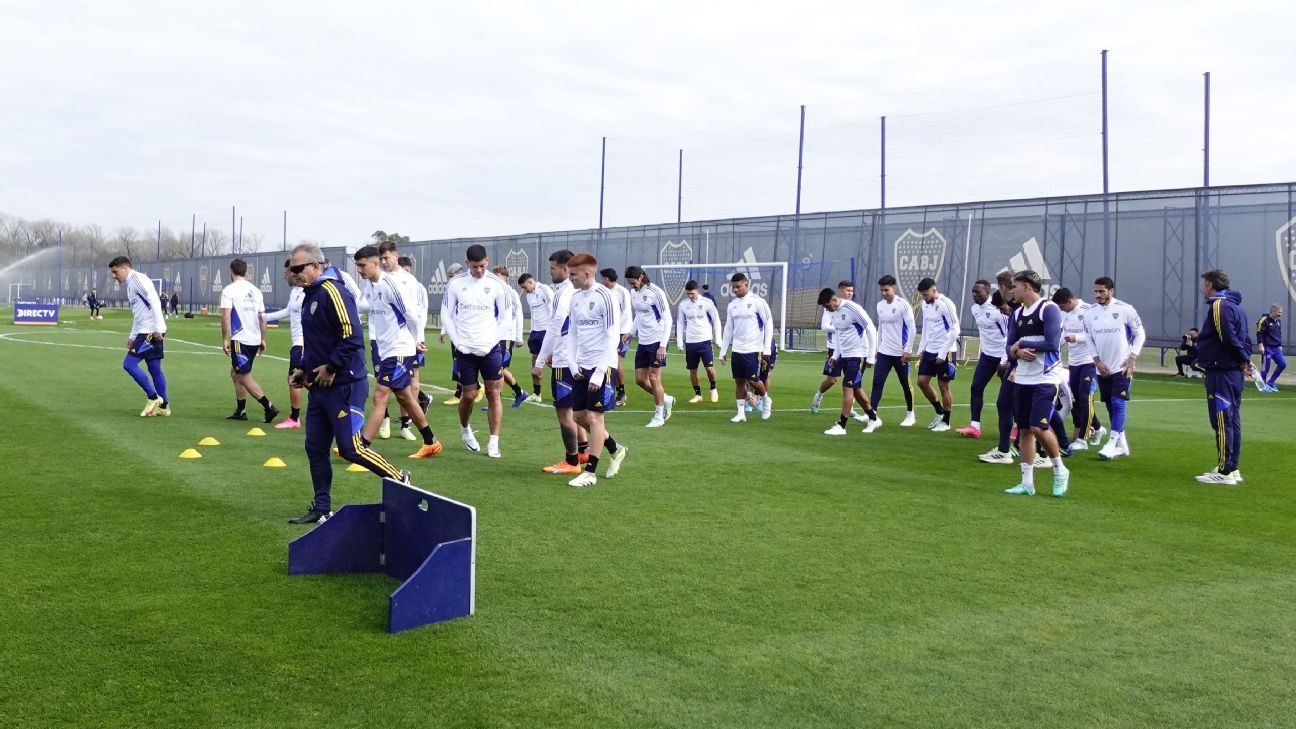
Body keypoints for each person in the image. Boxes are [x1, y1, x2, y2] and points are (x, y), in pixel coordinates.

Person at [285, 244, 406, 525]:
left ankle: (400, 478)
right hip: (320, 388)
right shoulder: (309, 294)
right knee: (315, 448)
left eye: (298, 268)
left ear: (316, 266)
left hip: (345, 384)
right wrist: (303, 369)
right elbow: (315, 342)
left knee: (351, 448)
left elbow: (352, 336)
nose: (293, 273)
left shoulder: (333, 291)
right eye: (292, 268)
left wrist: (331, 367)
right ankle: (322, 508)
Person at [353, 246, 441, 458]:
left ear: (375, 263)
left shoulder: (390, 284)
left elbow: (411, 314)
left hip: (399, 350)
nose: (359, 270)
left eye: (362, 265)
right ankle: (431, 442)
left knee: (379, 396)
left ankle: (362, 447)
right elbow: (362, 307)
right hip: (387, 350)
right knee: (405, 398)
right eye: (357, 266)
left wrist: (417, 340)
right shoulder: (370, 286)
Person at [564, 252, 630, 488]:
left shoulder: (606, 296)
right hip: (582, 365)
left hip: (603, 365)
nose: (570, 278)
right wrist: (572, 363)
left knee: (594, 417)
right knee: (578, 416)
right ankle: (615, 448)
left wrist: (601, 371)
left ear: (586, 273)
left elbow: (613, 336)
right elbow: (572, 333)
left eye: (573, 274)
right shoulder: (575, 298)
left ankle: (590, 472)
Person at [1002, 270, 1071, 497]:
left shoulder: (1048, 309)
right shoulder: (1017, 313)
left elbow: (1052, 343)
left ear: (1027, 286)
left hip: (1046, 377)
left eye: (1015, 286)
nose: (1012, 291)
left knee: (1038, 426)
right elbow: (1009, 347)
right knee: (1024, 430)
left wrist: (1021, 344)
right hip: (1023, 377)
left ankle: (1060, 469)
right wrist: (1017, 351)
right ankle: (1027, 483)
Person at [441, 245, 509, 457]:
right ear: (467, 263)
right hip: (465, 349)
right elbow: (446, 314)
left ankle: (494, 442)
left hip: (490, 349)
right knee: (469, 395)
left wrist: (493, 341)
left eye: (482, 266)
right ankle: (465, 430)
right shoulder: (456, 283)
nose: (479, 270)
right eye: (474, 266)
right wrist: (457, 342)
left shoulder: (497, 284)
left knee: (493, 393)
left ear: (487, 261)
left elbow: (506, 317)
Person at [1194, 269, 1254, 485]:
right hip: (1232, 373)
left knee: (1221, 421)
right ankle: (1232, 468)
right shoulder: (1238, 308)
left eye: (1205, 284)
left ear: (1210, 285)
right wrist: (1244, 359)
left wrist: (1243, 360)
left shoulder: (1219, 305)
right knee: (1232, 420)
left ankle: (1224, 472)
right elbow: (1246, 340)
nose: (1203, 289)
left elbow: (1227, 337)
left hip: (1221, 372)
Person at [533, 249, 589, 475]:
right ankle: (583, 450)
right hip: (579, 357)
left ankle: (572, 461)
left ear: (566, 269)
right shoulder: (581, 291)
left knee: (565, 413)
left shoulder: (563, 292)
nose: (550, 272)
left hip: (565, 360)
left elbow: (556, 327)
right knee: (576, 409)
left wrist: (539, 361)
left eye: (552, 268)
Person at [1084, 276, 1145, 460]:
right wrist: (1097, 362)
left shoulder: (1125, 309)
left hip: (1122, 367)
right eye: (1096, 291)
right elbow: (1089, 339)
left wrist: (1132, 357)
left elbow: (1140, 334)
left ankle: (1110, 444)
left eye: (1102, 291)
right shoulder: (1090, 313)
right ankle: (1122, 445)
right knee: (1110, 406)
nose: (1098, 295)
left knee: (1118, 403)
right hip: (1102, 368)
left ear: (1111, 291)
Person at [107, 256, 170, 416]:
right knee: (155, 369)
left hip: (150, 331)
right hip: (147, 330)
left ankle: (153, 397)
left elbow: (154, 300)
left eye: (115, 272)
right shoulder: (131, 285)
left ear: (125, 268)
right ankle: (164, 407)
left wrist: (159, 327)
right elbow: (138, 312)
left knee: (129, 364)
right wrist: (133, 335)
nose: (114, 276)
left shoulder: (137, 280)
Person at [220, 258, 278, 423]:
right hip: (254, 339)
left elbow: (226, 317)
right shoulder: (256, 291)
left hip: (240, 338)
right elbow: (262, 317)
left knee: (242, 376)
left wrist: (224, 339)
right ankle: (241, 410)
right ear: (246, 272)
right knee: (235, 372)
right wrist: (263, 339)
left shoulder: (229, 290)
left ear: (231, 271)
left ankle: (269, 406)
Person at [817, 287, 881, 435]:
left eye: (828, 306)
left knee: (847, 387)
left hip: (857, 355)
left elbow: (871, 329)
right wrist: (835, 356)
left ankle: (841, 426)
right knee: (856, 391)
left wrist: (871, 356)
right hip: (844, 355)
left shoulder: (852, 308)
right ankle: (873, 418)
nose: (827, 309)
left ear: (834, 300)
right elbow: (840, 336)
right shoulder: (833, 313)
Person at [1053, 287, 1106, 450]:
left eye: (1062, 306)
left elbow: (1096, 335)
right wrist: (1054, 347)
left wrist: (1077, 337)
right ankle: (1098, 428)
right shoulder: (1064, 314)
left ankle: (1082, 440)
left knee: (1084, 396)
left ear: (1069, 301)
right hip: (1074, 362)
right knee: (1078, 399)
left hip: (1089, 361)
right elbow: (1063, 335)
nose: (1062, 310)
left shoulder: (1088, 311)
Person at [718, 273, 774, 422]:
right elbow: (728, 328)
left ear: (746, 285)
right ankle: (741, 413)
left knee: (753, 381)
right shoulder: (732, 305)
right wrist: (723, 350)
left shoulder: (758, 302)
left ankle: (766, 399)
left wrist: (766, 348)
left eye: (738, 286)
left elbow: (768, 324)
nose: (735, 290)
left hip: (753, 348)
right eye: (733, 287)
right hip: (737, 349)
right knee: (739, 382)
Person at [624, 265, 676, 427]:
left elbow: (668, 319)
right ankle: (666, 399)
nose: (632, 285)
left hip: (657, 340)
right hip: (643, 341)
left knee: (654, 378)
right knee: (640, 380)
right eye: (629, 283)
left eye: (633, 282)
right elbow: (639, 315)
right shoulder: (634, 293)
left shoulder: (656, 292)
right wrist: (631, 332)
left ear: (641, 277)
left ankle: (659, 416)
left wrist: (662, 346)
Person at [957, 280, 1007, 439]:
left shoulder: (998, 310)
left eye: (977, 292)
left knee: (1008, 394)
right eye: (973, 291)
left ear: (987, 292)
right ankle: (975, 426)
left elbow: (1008, 335)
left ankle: (1016, 428)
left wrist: (1005, 360)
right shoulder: (975, 309)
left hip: (1003, 357)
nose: (974, 295)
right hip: (986, 356)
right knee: (976, 387)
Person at [870, 274, 918, 427]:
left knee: (905, 384)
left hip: (900, 354)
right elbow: (881, 328)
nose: (884, 293)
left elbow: (912, 328)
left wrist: (908, 350)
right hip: (884, 353)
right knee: (877, 383)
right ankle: (872, 415)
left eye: (886, 290)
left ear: (894, 288)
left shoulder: (903, 305)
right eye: (881, 290)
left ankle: (910, 415)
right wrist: (877, 349)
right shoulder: (880, 305)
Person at [813, 281, 864, 420]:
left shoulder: (853, 308)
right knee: (832, 380)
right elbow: (824, 326)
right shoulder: (829, 307)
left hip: (851, 350)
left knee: (853, 381)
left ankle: (850, 408)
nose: (850, 293)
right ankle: (819, 394)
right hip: (834, 348)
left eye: (852, 291)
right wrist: (842, 328)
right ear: (840, 292)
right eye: (848, 290)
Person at [264, 260, 306, 429]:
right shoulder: (295, 291)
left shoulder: (308, 292)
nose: (285, 276)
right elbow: (288, 311)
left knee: (294, 379)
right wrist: (264, 317)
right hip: (297, 343)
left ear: (293, 271)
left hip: (303, 343)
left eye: (286, 273)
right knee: (299, 379)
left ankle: (295, 419)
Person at [915, 277, 959, 432]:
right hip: (930, 350)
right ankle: (939, 411)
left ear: (934, 290)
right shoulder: (925, 304)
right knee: (921, 382)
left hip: (946, 350)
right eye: (922, 295)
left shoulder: (946, 304)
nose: (924, 298)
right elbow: (926, 327)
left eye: (926, 294)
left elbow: (955, 330)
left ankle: (946, 421)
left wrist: (943, 352)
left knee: (943, 386)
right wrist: (922, 348)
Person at [676, 280, 722, 403]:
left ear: (697, 290)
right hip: (690, 342)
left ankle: (713, 388)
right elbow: (680, 323)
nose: (690, 296)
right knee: (693, 370)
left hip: (705, 341)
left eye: (692, 293)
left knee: (709, 368)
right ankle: (698, 394)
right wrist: (680, 342)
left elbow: (716, 320)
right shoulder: (683, 305)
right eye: (688, 294)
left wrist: (718, 339)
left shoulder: (707, 302)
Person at [492, 265, 530, 408]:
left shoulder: (510, 292)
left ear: (505, 277)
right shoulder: (494, 291)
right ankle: (519, 392)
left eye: (498, 276)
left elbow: (518, 313)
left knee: (499, 368)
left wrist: (518, 337)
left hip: (507, 336)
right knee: (499, 369)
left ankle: (496, 401)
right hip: (496, 336)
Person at [599, 268, 635, 406]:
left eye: (602, 278)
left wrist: (623, 332)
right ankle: (609, 390)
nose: (601, 281)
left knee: (616, 359)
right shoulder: (603, 292)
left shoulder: (622, 292)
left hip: (622, 332)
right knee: (607, 359)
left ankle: (621, 393)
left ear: (607, 278)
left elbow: (626, 313)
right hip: (608, 332)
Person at [439, 262, 472, 405]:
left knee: (461, 363)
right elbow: (448, 311)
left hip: (464, 333)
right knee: (458, 362)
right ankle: (474, 387)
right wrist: (444, 330)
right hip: (455, 332)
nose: (450, 280)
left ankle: (460, 394)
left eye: (452, 276)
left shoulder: (465, 289)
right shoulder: (452, 289)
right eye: (449, 277)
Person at [519, 272, 554, 402]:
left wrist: (552, 330)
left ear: (531, 282)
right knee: (535, 361)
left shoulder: (544, 290)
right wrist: (533, 330)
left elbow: (552, 309)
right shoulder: (529, 295)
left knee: (551, 361)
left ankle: (569, 382)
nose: (524, 290)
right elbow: (534, 314)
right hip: (535, 332)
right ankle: (537, 393)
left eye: (525, 287)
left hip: (547, 331)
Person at [1257, 305, 1285, 391]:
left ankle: (1271, 382)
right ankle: (1263, 385)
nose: (1280, 314)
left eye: (1281, 312)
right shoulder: (1264, 320)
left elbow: (1279, 334)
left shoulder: (1278, 321)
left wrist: (1280, 345)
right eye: (1278, 312)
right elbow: (1259, 333)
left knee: (1282, 364)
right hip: (1267, 347)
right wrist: (1260, 345)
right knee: (1266, 367)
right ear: (1273, 311)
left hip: (1276, 348)